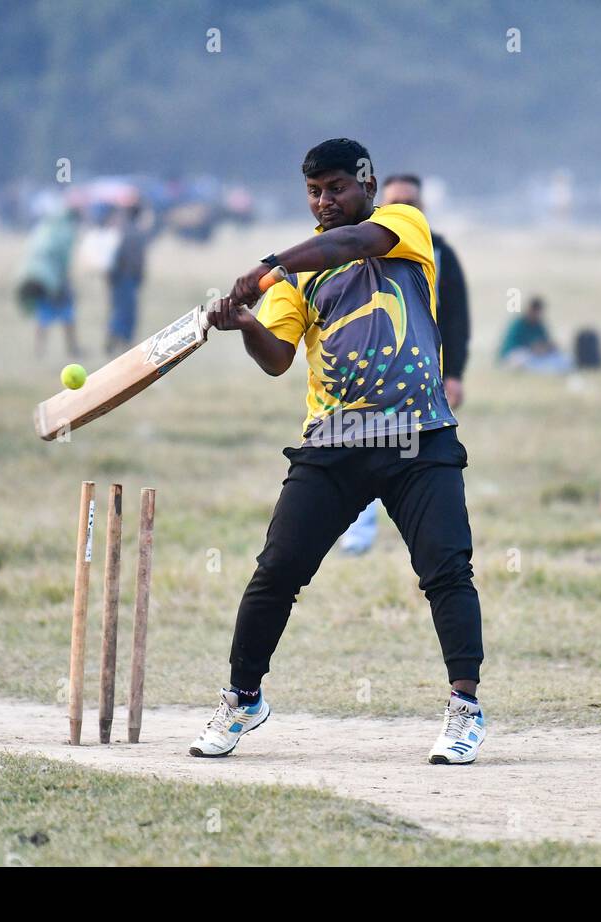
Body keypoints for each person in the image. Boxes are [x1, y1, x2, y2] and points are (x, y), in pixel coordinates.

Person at [194, 138, 486, 765]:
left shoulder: (402, 226)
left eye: (336, 189)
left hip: (419, 435)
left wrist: (266, 267)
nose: (325, 203)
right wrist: (246, 324)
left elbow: (351, 246)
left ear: (368, 184)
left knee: (446, 569)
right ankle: (242, 697)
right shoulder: (297, 275)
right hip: (332, 442)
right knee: (276, 571)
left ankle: (465, 711)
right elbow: (277, 360)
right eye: (314, 193)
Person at [339, 173, 470, 555]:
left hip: (423, 378)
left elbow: (456, 317)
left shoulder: (438, 251)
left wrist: (455, 373)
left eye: (411, 203)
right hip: (370, 379)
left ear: (424, 208)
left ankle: (426, 544)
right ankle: (358, 537)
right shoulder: (358, 247)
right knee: (361, 453)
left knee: (420, 462)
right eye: (395, 203)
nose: (403, 210)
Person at [17, 206, 81, 358]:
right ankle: (72, 349)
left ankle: (39, 351)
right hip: (55, 281)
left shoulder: (42, 230)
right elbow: (64, 262)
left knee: (43, 316)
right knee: (68, 316)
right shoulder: (66, 233)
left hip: (37, 279)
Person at [105, 203, 159, 353]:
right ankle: (121, 342)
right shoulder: (134, 233)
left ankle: (115, 341)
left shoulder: (123, 230)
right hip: (126, 277)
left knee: (120, 310)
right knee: (126, 311)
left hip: (120, 277)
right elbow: (133, 259)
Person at [498, 297, 571, 372]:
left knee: (560, 358)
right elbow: (512, 346)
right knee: (520, 359)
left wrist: (548, 347)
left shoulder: (539, 324)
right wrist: (533, 348)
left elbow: (545, 341)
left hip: (536, 355)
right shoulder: (518, 323)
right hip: (516, 354)